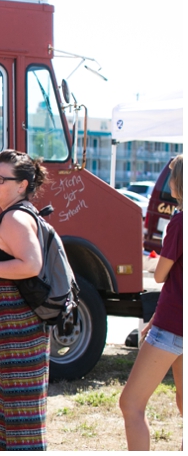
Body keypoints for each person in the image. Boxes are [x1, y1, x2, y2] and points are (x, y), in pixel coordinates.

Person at [0, 149, 50, 451]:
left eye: (2, 179)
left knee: (15, 416)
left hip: (13, 338)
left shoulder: (16, 218)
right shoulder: (13, 214)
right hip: (4, 337)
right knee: (3, 411)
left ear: (22, 185)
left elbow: (31, 264)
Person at [120, 154, 182, 450]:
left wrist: (147, 263)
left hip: (173, 325)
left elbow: (160, 275)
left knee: (131, 404)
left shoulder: (180, 221)